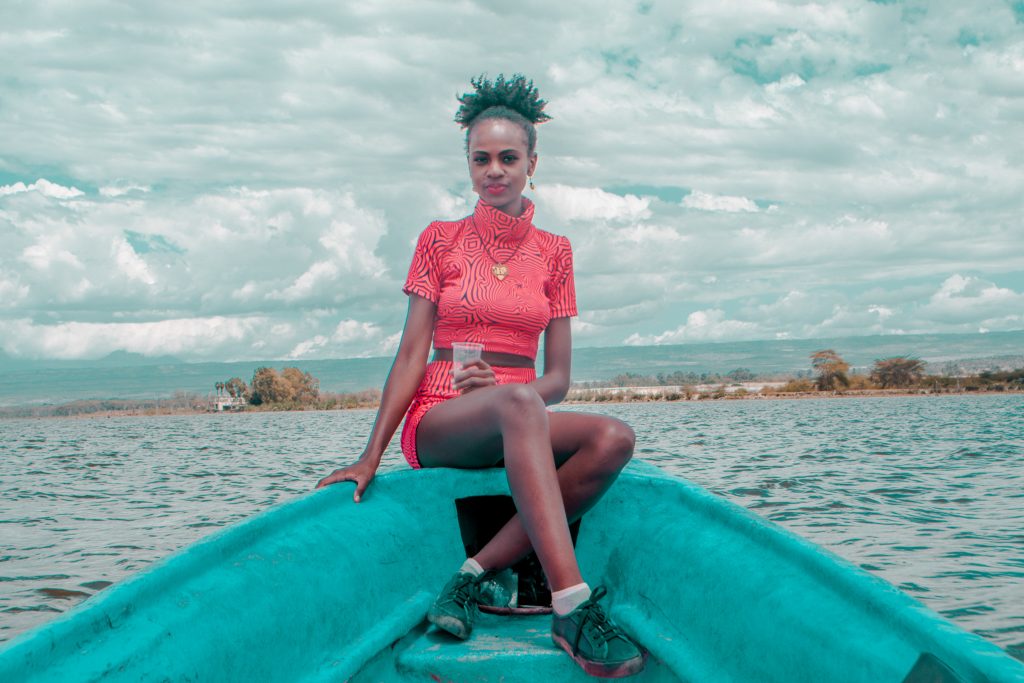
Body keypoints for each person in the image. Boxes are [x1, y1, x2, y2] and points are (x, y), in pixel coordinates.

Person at [316, 74, 645, 679]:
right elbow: (412, 351)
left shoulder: (556, 252)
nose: (494, 170)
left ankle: (469, 577)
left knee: (613, 437)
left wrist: (510, 394)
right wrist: (370, 455)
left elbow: (561, 378)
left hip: (518, 411)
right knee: (521, 407)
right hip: (442, 418)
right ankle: (572, 605)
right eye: (480, 159)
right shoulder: (439, 240)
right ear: (468, 165)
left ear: (531, 163)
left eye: (508, 158)